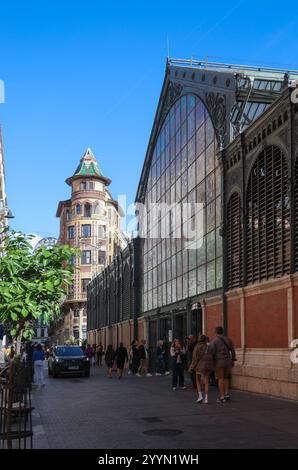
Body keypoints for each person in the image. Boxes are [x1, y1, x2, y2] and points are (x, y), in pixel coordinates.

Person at [209, 326, 236, 403]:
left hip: (219, 362)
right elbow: (233, 351)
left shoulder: (215, 341)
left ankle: (222, 396)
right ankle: (227, 394)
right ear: (222, 331)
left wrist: (212, 362)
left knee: (220, 379)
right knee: (226, 377)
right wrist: (233, 359)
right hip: (228, 361)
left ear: (216, 332)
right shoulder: (228, 339)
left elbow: (212, 352)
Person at [189, 334, 214, 404]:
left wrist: (191, 367)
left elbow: (195, 358)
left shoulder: (197, 346)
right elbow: (212, 356)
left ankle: (200, 396)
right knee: (206, 381)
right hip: (208, 366)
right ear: (205, 339)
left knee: (198, 380)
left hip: (199, 366)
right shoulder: (209, 346)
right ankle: (206, 398)